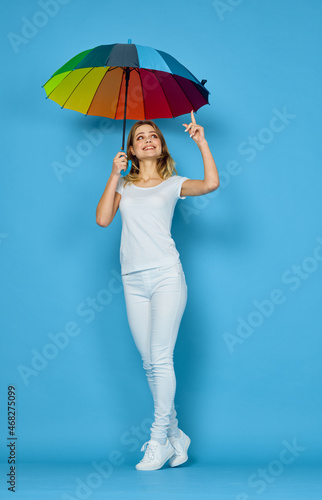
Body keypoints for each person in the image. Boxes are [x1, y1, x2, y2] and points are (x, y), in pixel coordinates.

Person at [96, 110, 219, 470]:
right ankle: (176, 436)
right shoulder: (124, 184)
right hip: (132, 281)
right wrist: (113, 175)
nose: (148, 140)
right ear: (131, 150)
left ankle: (157, 437)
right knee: (150, 362)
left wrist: (202, 142)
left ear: (161, 147)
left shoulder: (173, 183)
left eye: (153, 136)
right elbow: (103, 219)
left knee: (161, 358)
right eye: (140, 138)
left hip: (166, 275)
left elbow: (210, 184)